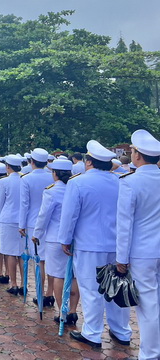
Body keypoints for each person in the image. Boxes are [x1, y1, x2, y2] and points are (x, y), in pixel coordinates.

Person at [59, 140, 131, 348]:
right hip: (117, 244)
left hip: (89, 244)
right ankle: (121, 332)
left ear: (88, 162)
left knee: (92, 289)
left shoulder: (78, 182)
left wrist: (65, 239)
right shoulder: (121, 181)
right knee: (116, 288)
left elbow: (70, 215)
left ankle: (92, 333)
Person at [116, 130, 160, 359]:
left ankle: (151, 354)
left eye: (132, 150)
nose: (131, 154)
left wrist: (121, 258)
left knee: (148, 306)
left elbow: (125, 224)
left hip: (142, 252)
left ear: (138, 156)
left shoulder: (130, 182)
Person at [32, 158, 79, 325]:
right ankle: (73, 311)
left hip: (54, 238)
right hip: (74, 238)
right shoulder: (75, 187)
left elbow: (44, 215)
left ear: (55, 173)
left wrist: (37, 233)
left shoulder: (51, 191)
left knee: (58, 276)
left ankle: (62, 311)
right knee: (73, 276)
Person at [19, 148, 54, 306]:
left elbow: (24, 204)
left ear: (31, 162)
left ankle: (40, 293)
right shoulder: (52, 176)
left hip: (34, 223)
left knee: (38, 261)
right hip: (52, 223)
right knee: (50, 260)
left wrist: (22, 224)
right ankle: (50, 292)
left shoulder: (26, 179)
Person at [0, 155, 25, 294]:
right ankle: (23, 284)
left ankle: (13, 283)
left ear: (8, 167)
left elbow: (0, 202)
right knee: (21, 253)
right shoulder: (25, 179)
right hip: (22, 219)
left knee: (9, 253)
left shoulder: (4, 182)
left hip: (8, 219)